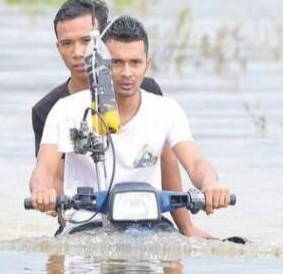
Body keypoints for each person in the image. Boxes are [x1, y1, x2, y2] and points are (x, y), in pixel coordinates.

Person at [29, 15, 232, 232]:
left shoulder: (167, 110)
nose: (127, 73)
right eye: (117, 63)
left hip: (151, 225)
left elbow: (195, 162)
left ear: (147, 64)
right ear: (102, 65)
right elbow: (43, 170)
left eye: (135, 63)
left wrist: (211, 183)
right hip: (87, 226)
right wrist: (42, 191)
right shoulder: (66, 110)